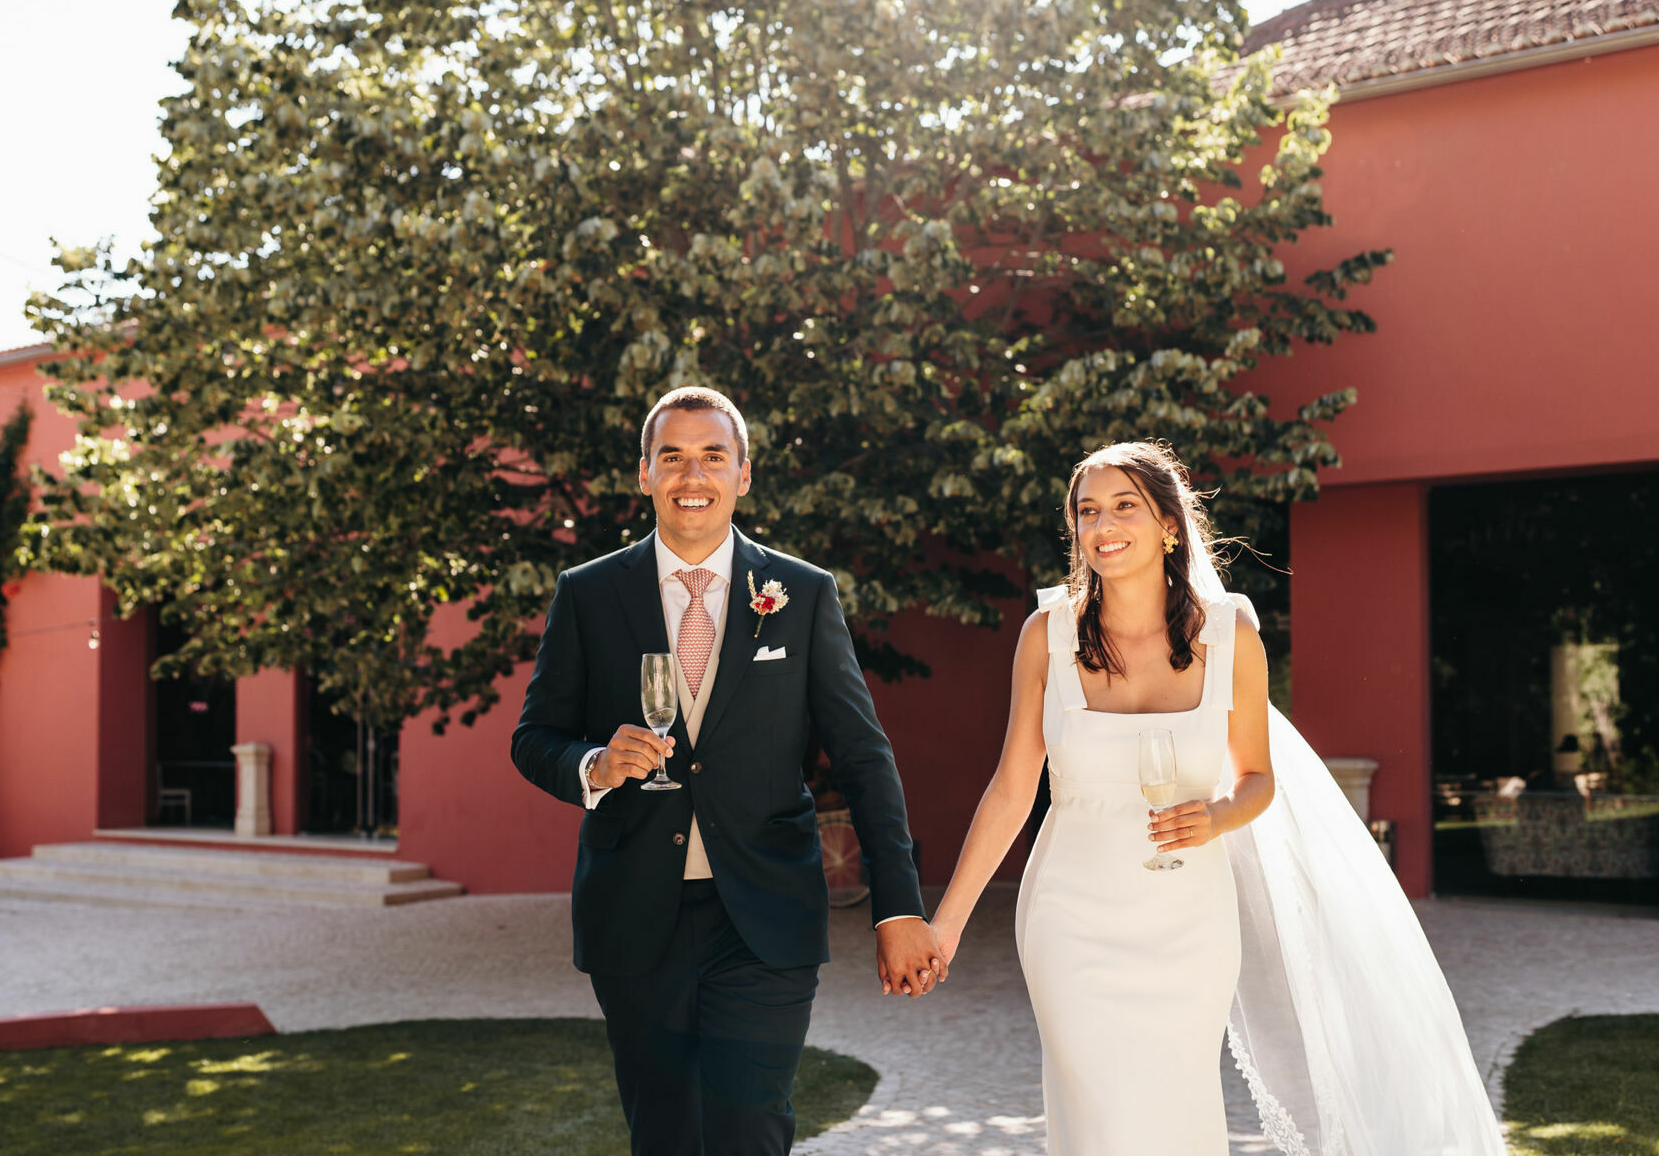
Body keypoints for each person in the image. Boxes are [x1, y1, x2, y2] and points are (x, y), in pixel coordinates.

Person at [931, 440, 1507, 1156]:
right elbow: (1014, 788)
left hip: (1190, 922)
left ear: (1169, 525)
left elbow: (1258, 777)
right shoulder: (1044, 638)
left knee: (1177, 1108)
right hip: (1069, 917)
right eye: (1086, 511)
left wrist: (1217, 817)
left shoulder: (1230, 635)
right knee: (1097, 1111)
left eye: (1123, 507)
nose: (1102, 526)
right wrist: (946, 927)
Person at [512, 386, 945, 1156]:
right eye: (672, 457)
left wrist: (898, 908)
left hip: (766, 915)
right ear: (643, 474)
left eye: (713, 457)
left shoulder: (804, 595)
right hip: (634, 916)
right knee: (665, 1134)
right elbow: (533, 737)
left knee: (751, 1127)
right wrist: (595, 764)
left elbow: (863, 756)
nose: (692, 476)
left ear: (744, 475)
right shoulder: (587, 594)